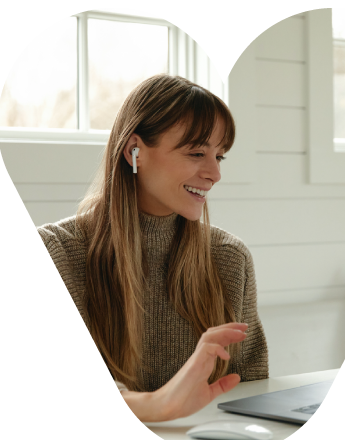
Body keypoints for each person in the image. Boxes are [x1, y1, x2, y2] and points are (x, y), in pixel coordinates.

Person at [37, 74, 269, 422]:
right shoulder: (58, 253)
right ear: (135, 151)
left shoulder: (229, 259)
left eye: (219, 157)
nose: (214, 173)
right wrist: (157, 405)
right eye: (196, 152)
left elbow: (252, 389)